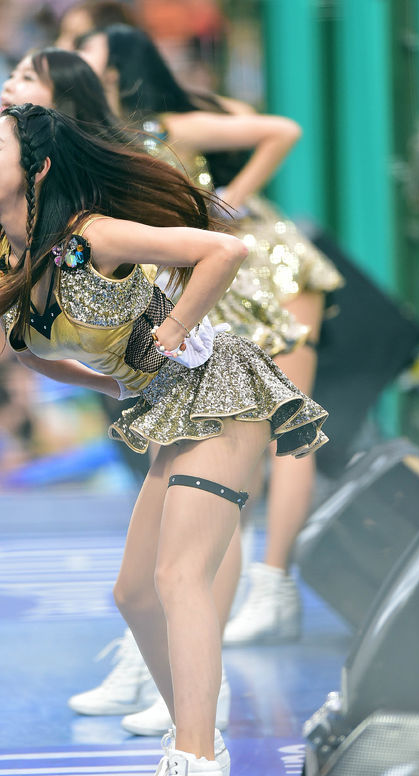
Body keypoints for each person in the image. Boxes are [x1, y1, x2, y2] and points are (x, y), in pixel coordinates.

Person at [0, 103, 327, 776]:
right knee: (134, 592)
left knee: (178, 577)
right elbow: (31, 352)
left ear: (39, 168)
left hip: (219, 389)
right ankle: (195, 744)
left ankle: (197, 775)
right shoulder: (10, 259)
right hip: (168, 404)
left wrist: (172, 331)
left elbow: (224, 251)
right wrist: (114, 384)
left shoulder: (92, 235)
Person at [0, 43, 311, 735]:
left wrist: (176, 322)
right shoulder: (27, 225)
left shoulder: (122, 173)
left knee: (188, 557)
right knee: (148, 579)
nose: (9, 84)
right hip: (153, 372)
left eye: (26, 76)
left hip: (209, 335)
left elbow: (254, 181)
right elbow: (32, 342)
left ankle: (215, 679)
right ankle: (169, 677)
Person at [78, 23, 343, 651]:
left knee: (286, 426)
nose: (76, 53)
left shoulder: (167, 125)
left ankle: (274, 586)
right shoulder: (107, 138)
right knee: (223, 431)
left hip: (266, 266)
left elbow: (279, 129)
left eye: (86, 47)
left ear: (116, 69)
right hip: (208, 282)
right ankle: (222, 590)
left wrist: (229, 198)